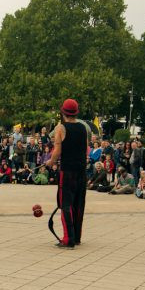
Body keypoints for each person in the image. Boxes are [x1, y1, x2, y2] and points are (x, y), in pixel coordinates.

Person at [46, 99, 88, 249]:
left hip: (68, 170)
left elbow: (57, 150)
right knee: (79, 203)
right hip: (81, 170)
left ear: (63, 112)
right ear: (76, 112)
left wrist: (50, 162)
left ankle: (68, 238)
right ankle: (76, 237)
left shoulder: (60, 128)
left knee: (66, 203)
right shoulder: (84, 128)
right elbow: (85, 150)